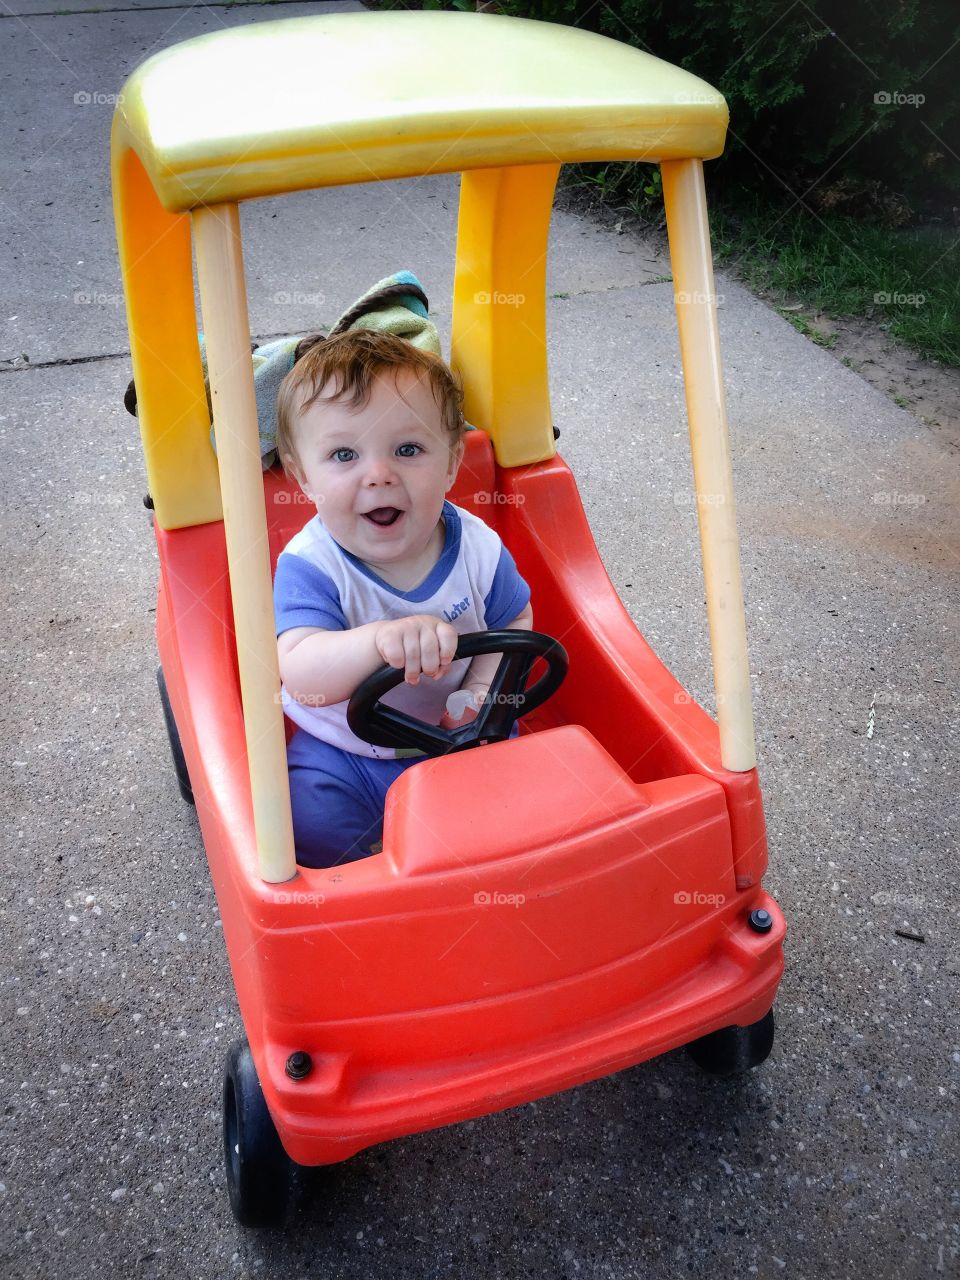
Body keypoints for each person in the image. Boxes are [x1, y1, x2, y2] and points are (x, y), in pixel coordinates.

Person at [273, 329, 533, 868]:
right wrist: (378, 642)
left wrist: (483, 689)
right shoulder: (311, 565)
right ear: (302, 475)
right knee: (303, 819)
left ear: (451, 461)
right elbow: (302, 674)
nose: (379, 475)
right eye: (344, 454)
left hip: (465, 736)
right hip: (346, 751)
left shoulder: (479, 548)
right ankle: (357, 902)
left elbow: (517, 623)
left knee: (534, 805)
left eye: (408, 449)